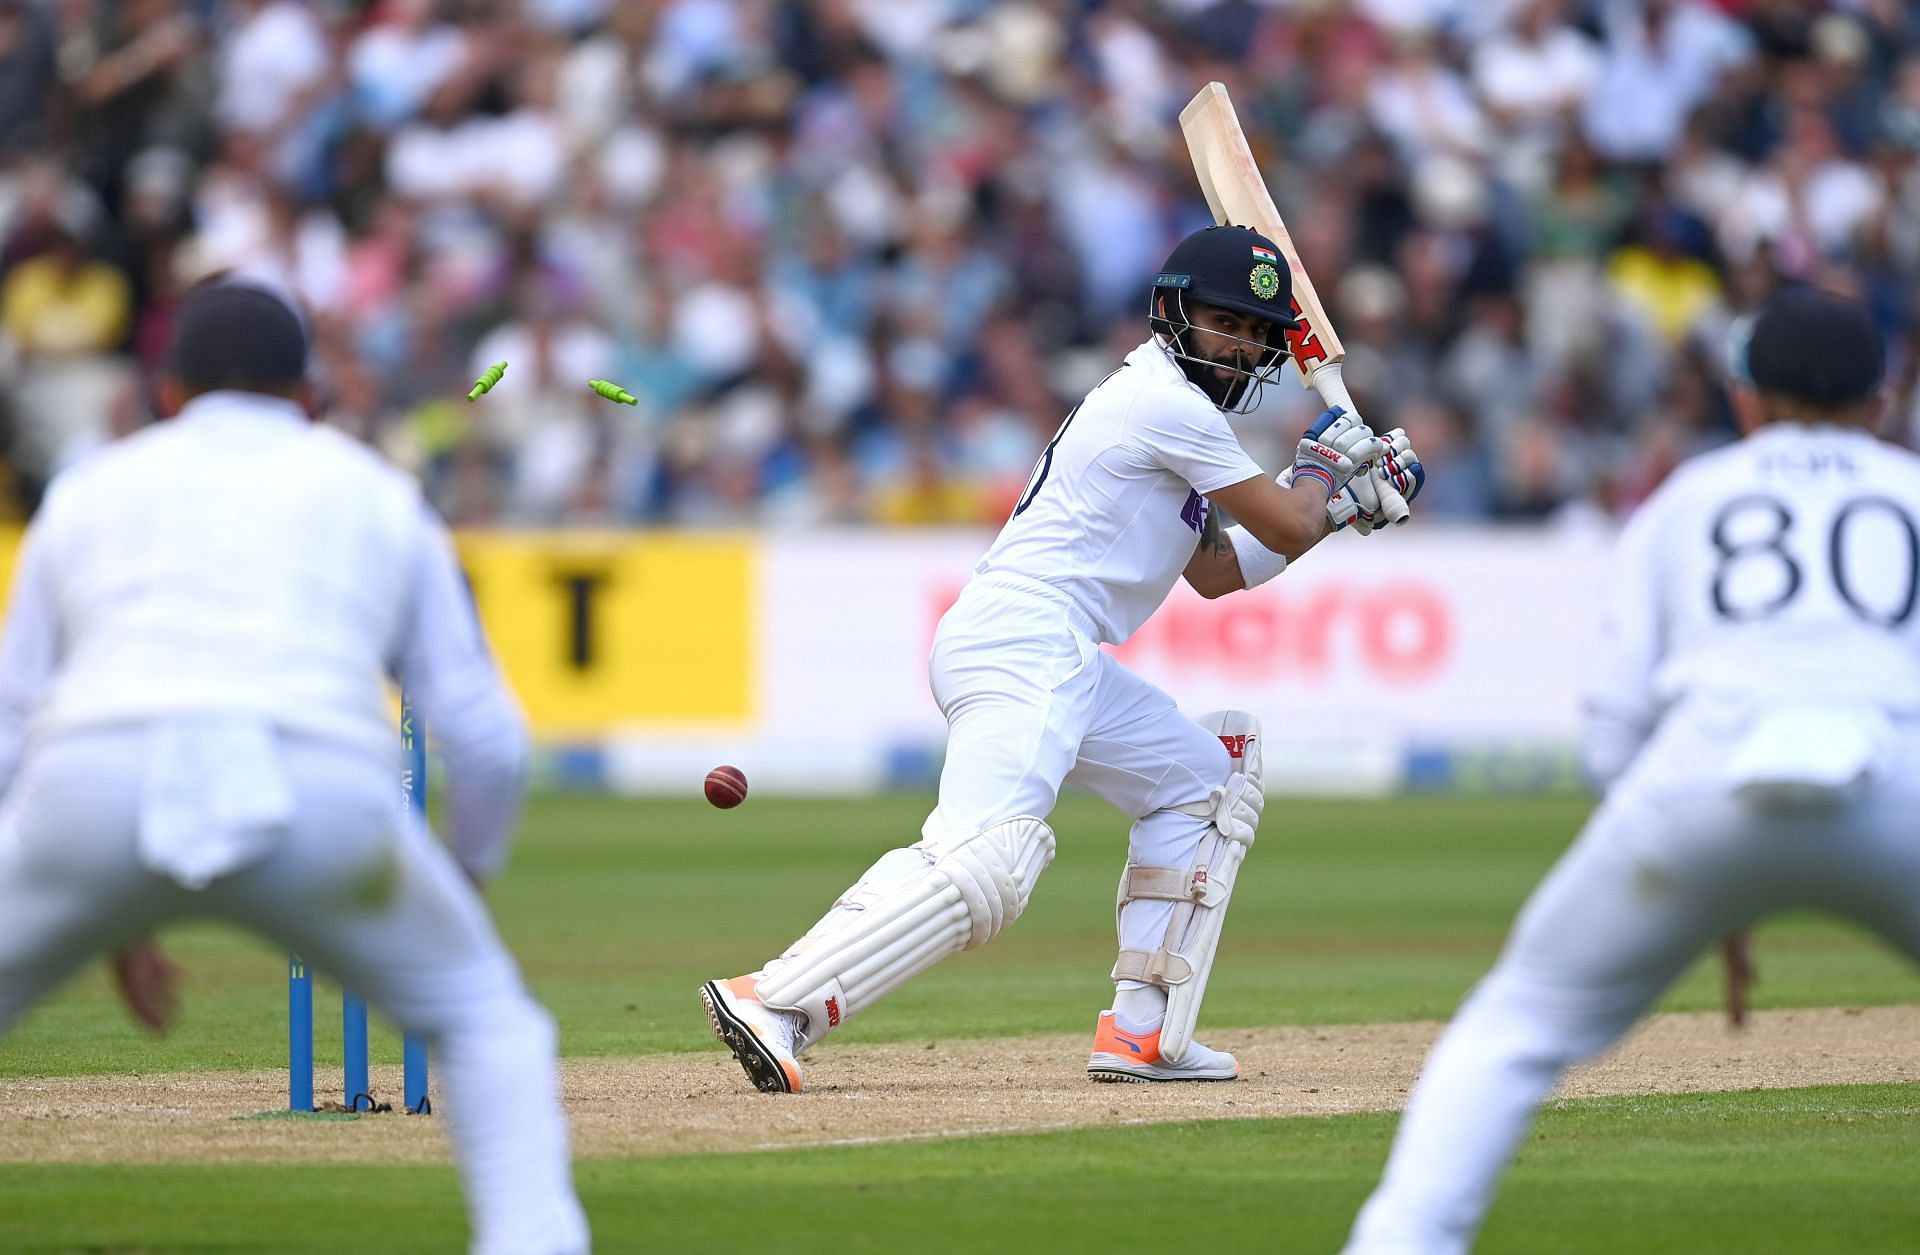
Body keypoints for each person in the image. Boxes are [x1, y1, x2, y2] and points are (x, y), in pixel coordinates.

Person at [702, 226, 1427, 1092]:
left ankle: (1142, 1033)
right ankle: (776, 999)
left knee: (1206, 781)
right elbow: (1286, 520)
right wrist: (1324, 475)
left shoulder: (1175, 422)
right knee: (988, 856)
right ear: (1175, 313)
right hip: (1025, 638)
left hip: (1054, 651)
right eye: (1221, 321)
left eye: (1253, 332)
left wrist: (1338, 503)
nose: (1237, 343)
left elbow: (1224, 572)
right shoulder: (1168, 404)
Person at [0, 278, 590, 1255]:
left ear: (168, 393)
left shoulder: (89, 487)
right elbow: (484, 734)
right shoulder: (373, 489)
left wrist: (90, 893)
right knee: (492, 1025)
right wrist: (466, 882)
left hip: (90, 778)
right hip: (319, 784)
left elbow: (13, 719)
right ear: (310, 396)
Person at [1344, 287, 1919, 1254]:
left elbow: (1615, 725)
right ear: (1882, 399)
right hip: (1898, 773)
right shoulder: (1908, 490)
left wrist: (1700, 874)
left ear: (1746, 398)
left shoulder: (1687, 502)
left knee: (1513, 1026)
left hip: (1705, 778)